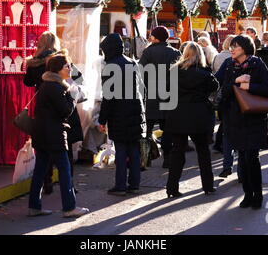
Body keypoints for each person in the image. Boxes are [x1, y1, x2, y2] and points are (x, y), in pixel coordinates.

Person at [216, 35, 268, 209]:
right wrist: (235, 81)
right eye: (231, 46)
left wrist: (250, 86)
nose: (232, 49)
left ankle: (257, 194)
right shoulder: (228, 64)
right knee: (242, 156)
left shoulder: (257, 64)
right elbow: (220, 87)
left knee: (252, 157)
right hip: (234, 118)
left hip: (253, 118)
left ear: (245, 48)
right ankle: (247, 193)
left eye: (235, 46)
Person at [28, 54, 89, 218]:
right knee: (64, 169)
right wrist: (74, 96)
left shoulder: (47, 85)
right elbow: (66, 111)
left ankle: (34, 206)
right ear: (57, 70)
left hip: (42, 133)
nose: (70, 69)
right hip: (54, 134)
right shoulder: (56, 87)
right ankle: (69, 207)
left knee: (40, 169)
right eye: (67, 66)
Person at [24, 31, 83, 194]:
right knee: (66, 148)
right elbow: (79, 77)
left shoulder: (34, 62)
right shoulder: (60, 59)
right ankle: (69, 187)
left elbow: (27, 82)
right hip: (61, 101)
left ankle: (47, 183)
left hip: (43, 106)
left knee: (44, 150)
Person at [165, 42, 218, 197]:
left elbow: (167, 90)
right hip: (198, 115)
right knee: (203, 152)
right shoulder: (205, 73)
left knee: (177, 152)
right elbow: (215, 86)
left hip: (178, 114)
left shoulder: (174, 71)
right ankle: (208, 186)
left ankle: (172, 188)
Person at [98, 33, 146, 196]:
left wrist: (102, 119)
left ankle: (120, 185)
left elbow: (108, 97)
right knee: (133, 149)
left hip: (118, 113)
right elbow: (141, 88)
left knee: (121, 151)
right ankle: (134, 184)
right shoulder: (132, 63)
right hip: (135, 110)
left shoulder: (110, 67)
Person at [139, 26, 180, 168]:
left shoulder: (148, 52)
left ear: (156, 38)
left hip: (150, 95)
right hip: (169, 94)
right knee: (168, 129)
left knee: (147, 129)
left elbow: (140, 71)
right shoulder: (175, 53)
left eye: (152, 35)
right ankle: (167, 158)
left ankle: (145, 159)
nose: (150, 37)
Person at [211, 34, 235, 154]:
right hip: (230, 91)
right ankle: (225, 144)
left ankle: (219, 143)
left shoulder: (217, 56)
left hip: (219, 91)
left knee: (223, 120)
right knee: (229, 121)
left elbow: (215, 74)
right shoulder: (232, 59)